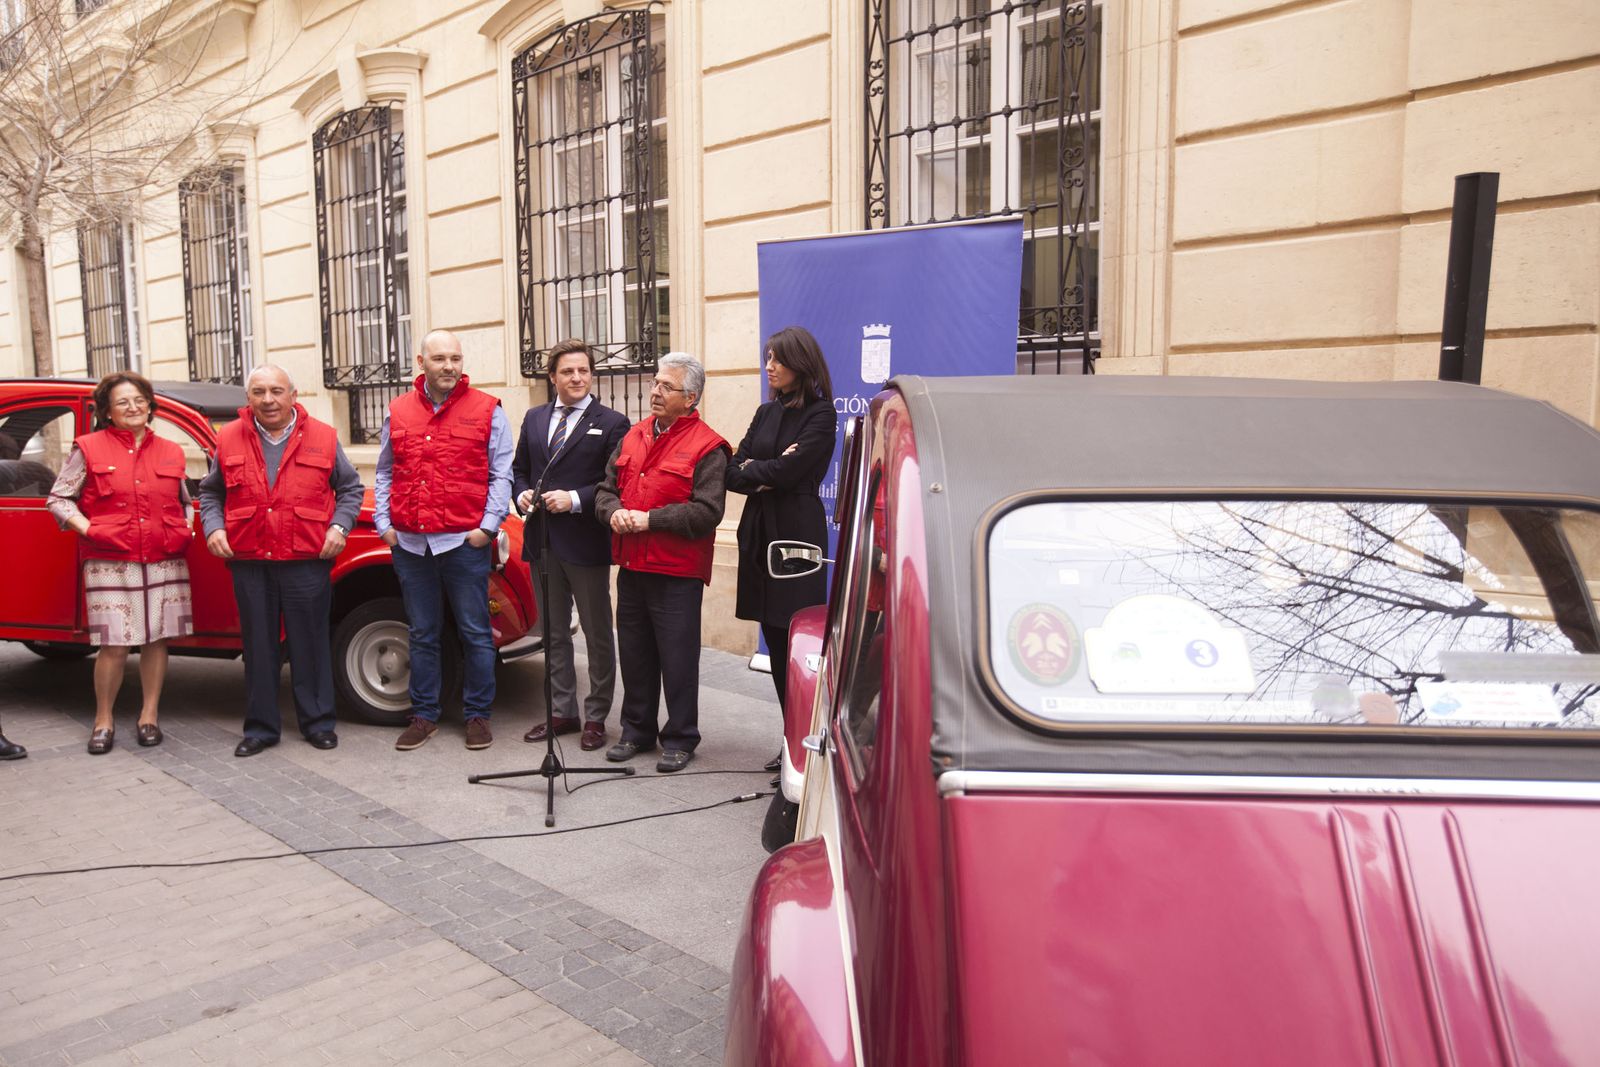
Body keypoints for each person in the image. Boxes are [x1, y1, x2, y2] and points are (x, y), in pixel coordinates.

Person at [199, 365, 364, 757]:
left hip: (306, 559)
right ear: (248, 399)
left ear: (293, 394)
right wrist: (213, 528)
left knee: (310, 645)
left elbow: (350, 488)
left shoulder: (323, 437)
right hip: (250, 560)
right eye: (259, 392)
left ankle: (318, 723)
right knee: (258, 648)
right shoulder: (228, 438)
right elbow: (210, 494)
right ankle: (260, 728)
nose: (268, 400)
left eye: (276, 391)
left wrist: (339, 528)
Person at [375, 328, 514, 751]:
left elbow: (501, 473)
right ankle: (424, 716)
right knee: (422, 633)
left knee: (475, 632)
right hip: (412, 545)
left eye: (455, 358)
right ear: (422, 363)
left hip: (462, 544)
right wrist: (385, 524)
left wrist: (486, 528)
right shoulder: (397, 411)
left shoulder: (488, 409)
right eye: (439, 359)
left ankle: (477, 716)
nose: (449, 366)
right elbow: (384, 471)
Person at [594, 352, 730, 772]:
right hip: (633, 568)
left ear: (690, 398)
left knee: (677, 658)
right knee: (635, 654)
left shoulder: (709, 446)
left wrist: (650, 519)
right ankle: (636, 730)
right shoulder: (632, 435)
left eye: (665, 387)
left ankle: (681, 737)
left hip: (676, 573)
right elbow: (605, 489)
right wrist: (611, 511)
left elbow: (708, 511)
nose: (655, 391)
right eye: (655, 383)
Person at [46, 371, 194, 754]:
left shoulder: (171, 450)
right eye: (123, 402)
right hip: (110, 559)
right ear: (107, 411)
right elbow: (59, 499)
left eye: (140, 400)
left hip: (164, 557)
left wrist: (185, 529)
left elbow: (186, 501)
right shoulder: (88, 447)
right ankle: (103, 720)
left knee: (157, 639)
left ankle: (149, 716)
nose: (133, 407)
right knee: (113, 644)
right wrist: (90, 529)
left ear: (150, 405)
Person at [725, 326, 838, 771]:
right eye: (767, 357)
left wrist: (764, 469)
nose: (768, 366)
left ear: (801, 364)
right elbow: (733, 473)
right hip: (759, 531)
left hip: (795, 536)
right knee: (772, 639)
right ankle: (792, 738)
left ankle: (807, 742)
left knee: (797, 638)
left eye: (778, 359)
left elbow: (793, 473)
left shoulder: (821, 414)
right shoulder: (765, 412)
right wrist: (766, 468)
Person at [511, 339, 630, 751]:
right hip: (541, 540)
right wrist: (522, 494)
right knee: (553, 633)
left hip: (586, 541)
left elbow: (615, 484)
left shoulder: (613, 423)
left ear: (591, 375)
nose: (576, 378)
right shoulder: (534, 417)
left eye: (583, 371)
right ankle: (562, 711)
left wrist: (576, 499)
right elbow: (519, 470)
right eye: (567, 372)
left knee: (598, 633)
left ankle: (596, 715)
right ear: (552, 377)